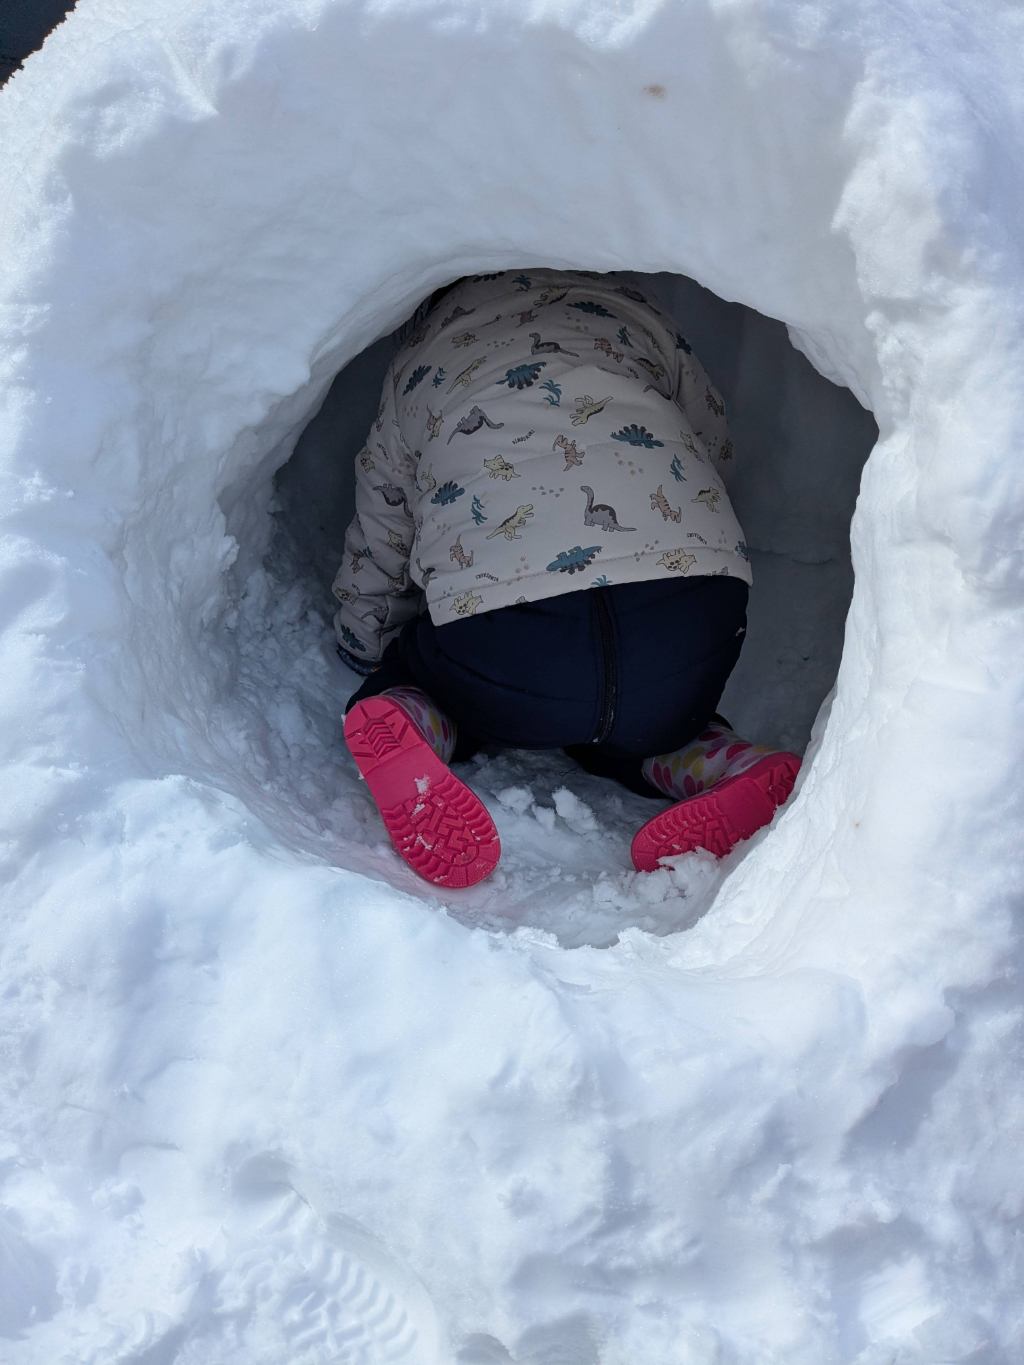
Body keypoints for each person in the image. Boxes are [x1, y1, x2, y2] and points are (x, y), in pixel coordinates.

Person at [332, 270, 799, 887]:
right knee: (657, 716)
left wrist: (365, 643)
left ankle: (411, 722)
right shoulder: (634, 314)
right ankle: (727, 763)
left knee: (437, 676)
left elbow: (384, 519)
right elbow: (706, 435)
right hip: (688, 609)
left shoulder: (422, 362)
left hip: (506, 642)